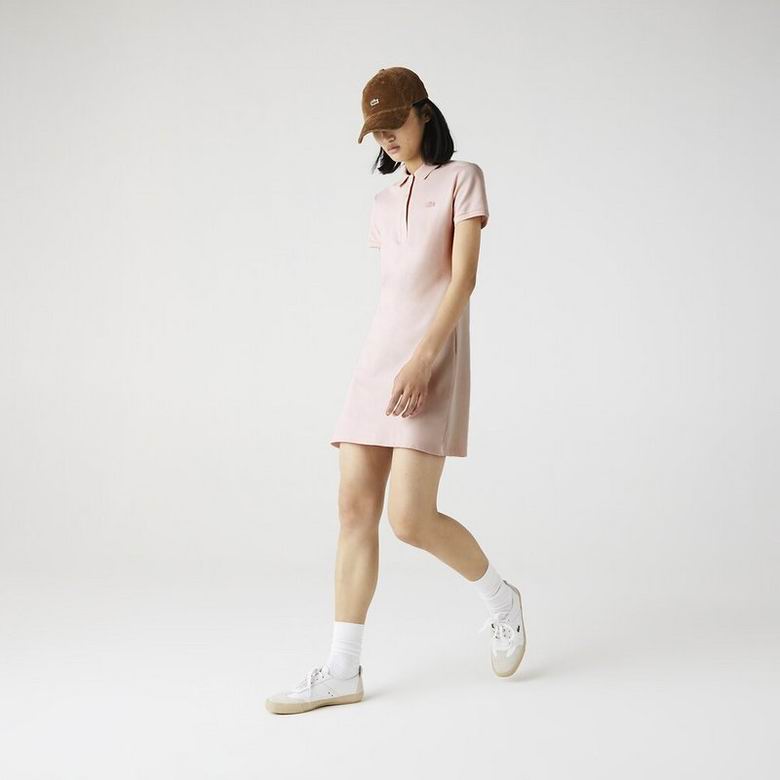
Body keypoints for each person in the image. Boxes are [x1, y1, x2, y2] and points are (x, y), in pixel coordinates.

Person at [266, 67, 526, 715]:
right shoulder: (383, 204)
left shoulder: (463, 179)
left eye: (393, 123)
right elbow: (395, 294)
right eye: (375, 130)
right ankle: (342, 669)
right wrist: (390, 364)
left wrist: (423, 361)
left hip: (428, 362)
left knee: (409, 519)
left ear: (423, 113)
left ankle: (503, 602)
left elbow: (461, 281)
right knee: (354, 510)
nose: (385, 137)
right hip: (375, 364)